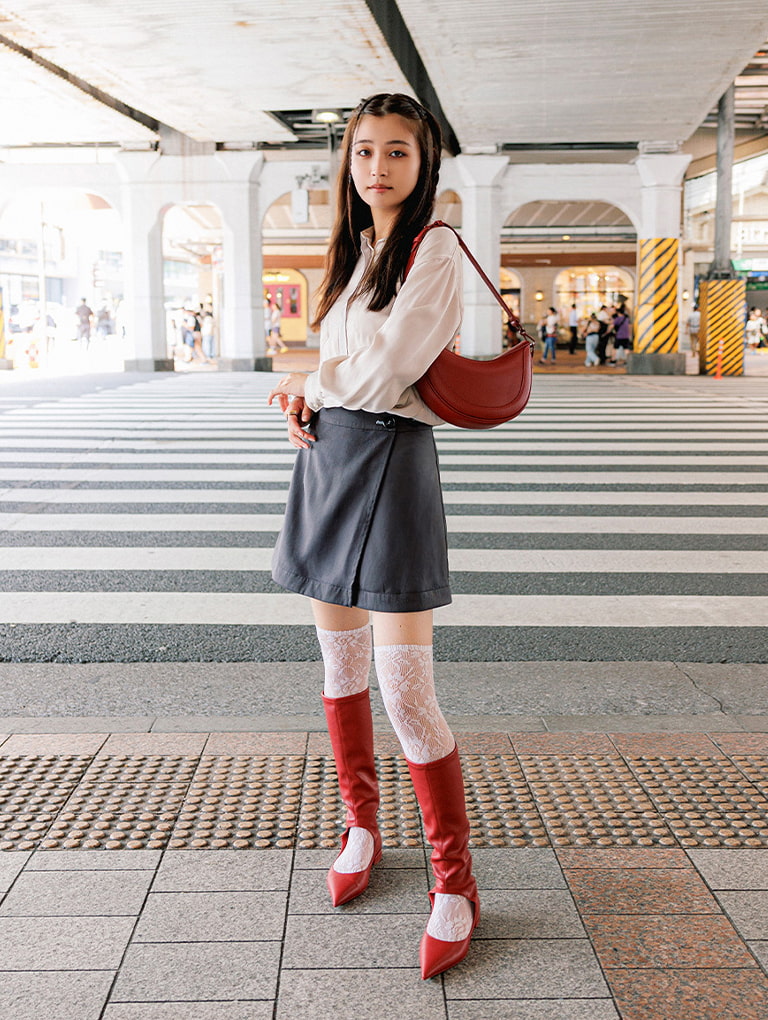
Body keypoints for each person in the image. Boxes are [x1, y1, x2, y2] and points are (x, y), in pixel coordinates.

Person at [267, 92, 479, 981]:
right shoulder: (351, 253)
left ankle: (455, 881)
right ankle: (362, 824)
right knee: (339, 670)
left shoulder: (432, 248)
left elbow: (394, 367)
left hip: (393, 465)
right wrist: (303, 398)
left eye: (397, 152)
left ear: (423, 163)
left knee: (405, 690)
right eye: (364, 152)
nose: (378, 168)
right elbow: (352, 364)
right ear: (346, 162)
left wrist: (315, 378)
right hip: (329, 459)